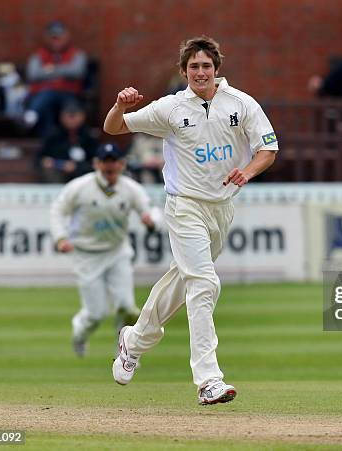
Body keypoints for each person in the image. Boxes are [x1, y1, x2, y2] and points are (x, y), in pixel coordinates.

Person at [104, 36, 278, 405]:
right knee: (203, 284)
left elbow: (268, 148)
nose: (201, 72)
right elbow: (114, 128)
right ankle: (208, 379)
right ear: (183, 72)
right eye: (194, 67)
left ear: (216, 69)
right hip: (184, 207)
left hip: (221, 209)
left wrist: (247, 171)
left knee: (183, 280)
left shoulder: (241, 103)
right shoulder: (170, 108)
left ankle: (133, 341)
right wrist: (119, 105)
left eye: (206, 66)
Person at [50, 143, 156, 357]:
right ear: (96, 164)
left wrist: (150, 221)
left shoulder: (131, 189)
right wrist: (61, 238)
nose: (110, 166)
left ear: (122, 164)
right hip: (86, 255)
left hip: (117, 252)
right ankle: (80, 333)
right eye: (105, 161)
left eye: (114, 161)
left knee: (127, 307)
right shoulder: (80, 187)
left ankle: (125, 352)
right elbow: (58, 210)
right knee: (96, 314)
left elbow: (150, 210)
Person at [25, 21, 88, 137]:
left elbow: (77, 72)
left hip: (69, 94)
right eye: (53, 37)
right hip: (43, 93)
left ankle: (32, 114)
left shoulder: (77, 54)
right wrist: (62, 71)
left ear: (66, 36)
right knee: (47, 101)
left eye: (59, 37)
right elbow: (33, 74)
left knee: (69, 109)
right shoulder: (39, 55)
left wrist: (51, 69)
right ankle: (46, 140)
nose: (56, 40)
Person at [37, 99, 98, 183]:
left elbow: (95, 162)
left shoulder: (89, 136)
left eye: (74, 115)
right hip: (59, 174)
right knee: (49, 170)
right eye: (68, 115)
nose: (71, 120)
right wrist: (52, 163)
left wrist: (76, 166)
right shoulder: (53, 135)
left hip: (83, 176)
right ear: (61, 117)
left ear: (83, 116)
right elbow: (39, 158)